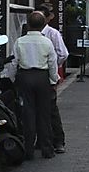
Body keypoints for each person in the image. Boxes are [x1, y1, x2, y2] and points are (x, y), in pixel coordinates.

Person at [14, 11, 59, 159]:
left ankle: (28, 150)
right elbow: (52, 63)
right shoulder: (47, 42)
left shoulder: (20, 41)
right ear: (42, 25)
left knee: (28, 114)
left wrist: (12, 79)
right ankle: (47, 149)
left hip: (25, 77)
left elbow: (14, 63)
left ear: (28, 24)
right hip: (42, 78)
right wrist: (54, 80)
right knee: (44, 114)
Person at [39, 6, 69, 154]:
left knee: (51, 109)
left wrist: (54, 68)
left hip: (50, 74)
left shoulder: (53, 34)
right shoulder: (27, 34)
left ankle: (58, 140)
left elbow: (63, 54)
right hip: (34, 77)